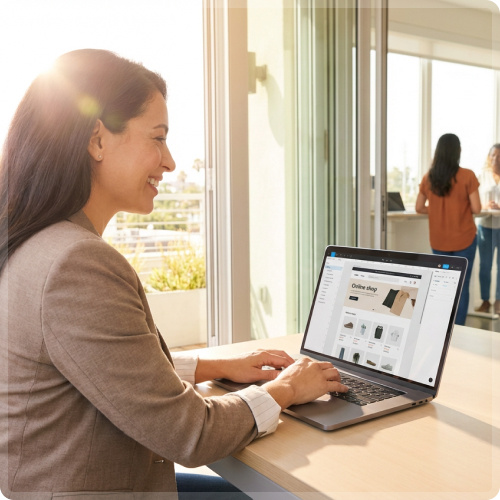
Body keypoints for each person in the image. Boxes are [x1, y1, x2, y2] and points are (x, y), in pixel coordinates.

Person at [0, 49, 348, 499]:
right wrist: (286, 389)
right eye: (158, 138)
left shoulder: (35, 242)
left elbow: (105, 365)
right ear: (97, 139)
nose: (169, 162)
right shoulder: (76, 265)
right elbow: (193, 436)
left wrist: (215, 365)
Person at [415, 133, 481, 325]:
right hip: (465, 240)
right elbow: (477, 208)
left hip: (439, 241)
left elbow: (419, 207)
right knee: (462, 287)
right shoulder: (467, 175)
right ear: (457, 152)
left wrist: (436, 210)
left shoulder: (429, 177)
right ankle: (458, 330)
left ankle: (441, 328)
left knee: (442, 287)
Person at [475, 143, 500, 314]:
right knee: (485, 266)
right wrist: (485, 205)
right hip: (485, 226)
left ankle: (498, 301)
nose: (496, 159)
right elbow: (473, 200)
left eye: (499, 156)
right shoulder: (481, 176)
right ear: (488, 157)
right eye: (493, 156)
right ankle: (485, 301)